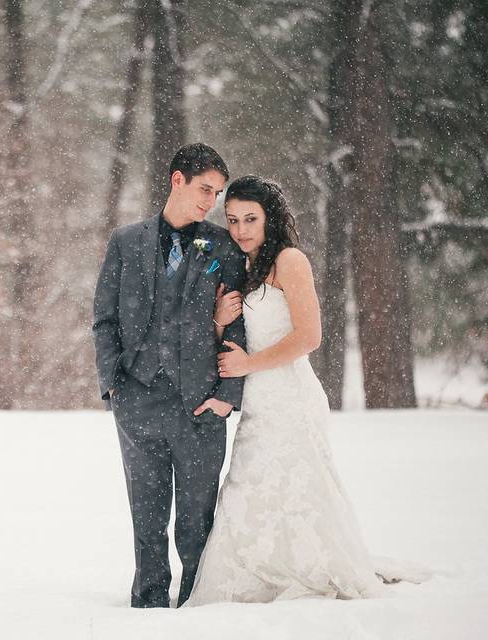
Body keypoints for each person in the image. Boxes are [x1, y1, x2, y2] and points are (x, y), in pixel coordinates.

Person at [186, 175, 426, 605]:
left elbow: (309, 337)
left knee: (298, 484)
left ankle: (307, 567)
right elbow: (239, 330)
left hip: (289, 395)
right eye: (233, 219)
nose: (240, 229)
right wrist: (220, 322)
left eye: (251, 219)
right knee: (248, 485)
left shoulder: (289, 260)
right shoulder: (243, 263)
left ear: (270, 218)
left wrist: (248, 364)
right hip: (257, 399)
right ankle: (256, 575)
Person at [92, 143, 247, 608]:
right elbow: (104, 319)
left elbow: (239, 324)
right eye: (205, 189)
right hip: (137, 399)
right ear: (177, 179)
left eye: (217, 194)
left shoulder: (221, 245)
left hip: (201, 403)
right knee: (147, 512)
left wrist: (227, 395)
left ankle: (196, 603)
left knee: (197, 518)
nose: (210, 202)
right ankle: (148, 599)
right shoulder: (126, 241)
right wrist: (114, 386)